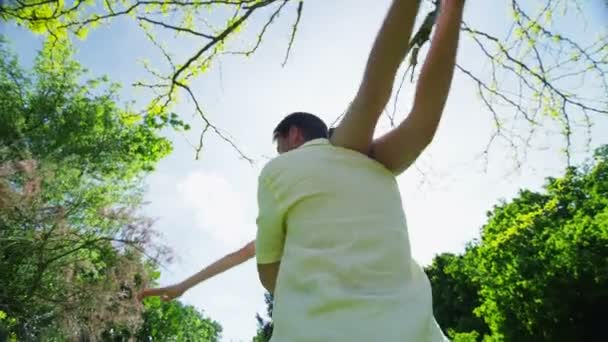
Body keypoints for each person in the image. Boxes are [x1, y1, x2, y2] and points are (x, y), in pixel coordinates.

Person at [255, 0, 464, 341]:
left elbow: (269, 276)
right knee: (404, 115)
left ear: (293, 135)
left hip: (322, 332)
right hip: (415, 331)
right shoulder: (372, 163)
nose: (280, 154)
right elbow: (422, 122)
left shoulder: (282, 170)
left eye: (281, 146)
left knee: (373, 102)